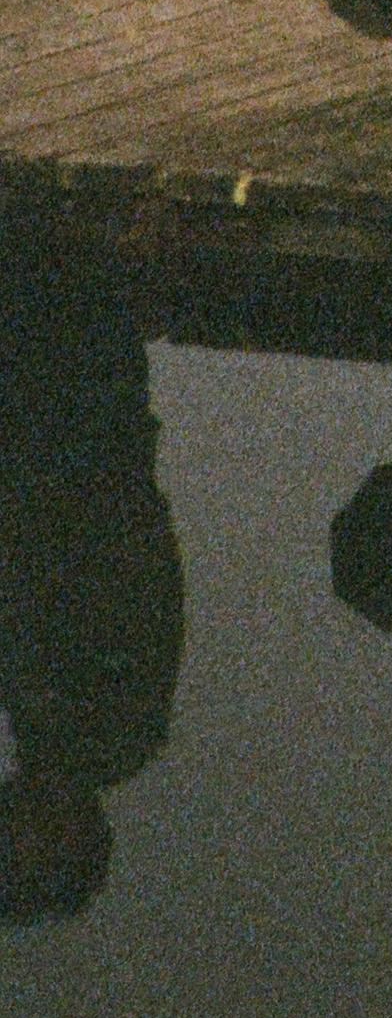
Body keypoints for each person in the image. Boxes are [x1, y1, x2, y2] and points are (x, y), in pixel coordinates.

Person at [0, 279, 185, 928]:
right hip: (76, 435)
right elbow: (125, 557)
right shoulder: (109, 726)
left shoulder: (46, 729)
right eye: (24, 853)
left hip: (59, 438)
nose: (12, 834)